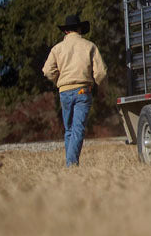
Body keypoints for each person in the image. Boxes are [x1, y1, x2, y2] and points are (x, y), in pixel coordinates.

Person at [42, 14, 108, 167]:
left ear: (66, 31)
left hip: (64, 92)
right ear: (79, 29)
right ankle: (71, 165)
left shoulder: (57, 48)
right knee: (78, 129)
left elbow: (47, 70)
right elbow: (101, 72)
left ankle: (70, 165)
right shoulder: (89, 46)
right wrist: (100, 86)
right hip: (82, 91)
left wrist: (58, 80)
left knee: (69, 130)